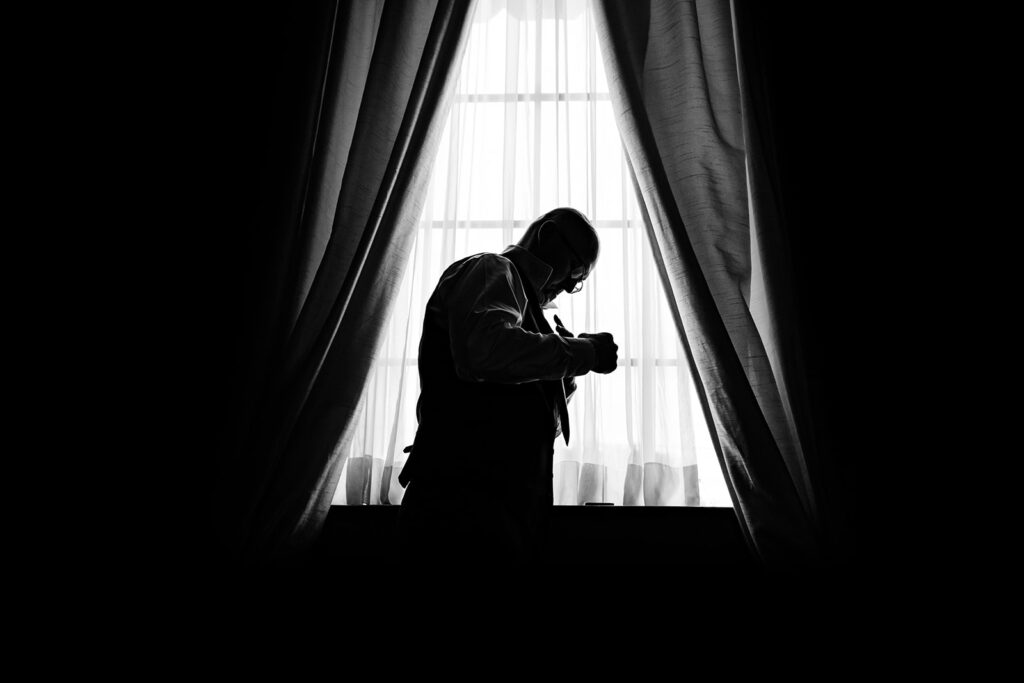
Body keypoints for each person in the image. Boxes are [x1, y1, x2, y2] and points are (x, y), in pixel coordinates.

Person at [396, 207, 618, 565]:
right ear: (547, 235)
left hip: (503, 516)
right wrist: (586, 352)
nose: (569, 286)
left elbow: (525, 422)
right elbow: (485, 354)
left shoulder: (527, 313)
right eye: (575, 270)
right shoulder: (491, 270)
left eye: (577, 281)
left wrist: (566, 378)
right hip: (459, 513)